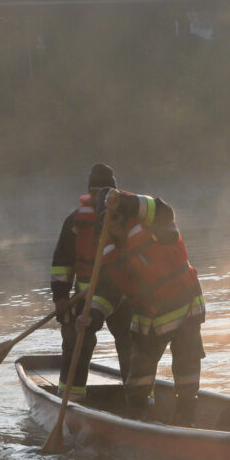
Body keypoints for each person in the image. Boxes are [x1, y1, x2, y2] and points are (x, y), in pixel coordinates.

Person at [83, 186, 206, 425]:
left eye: (117, 218)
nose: (114, 225)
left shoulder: (158, 226)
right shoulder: (108, 252)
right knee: (138, 379)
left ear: (125, 214)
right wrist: (93, 317)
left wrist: (124, 202)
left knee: (186, 371)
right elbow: (109, 292)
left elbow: (161, 208)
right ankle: (136, 419)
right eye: (108, 222)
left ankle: (185, 419)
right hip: (148, 319)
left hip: (185, 310)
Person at [50, 163, 133, 401]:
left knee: (131, 345)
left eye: (105, 193)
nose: (101, 198)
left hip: (121, 296)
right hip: (85, 298)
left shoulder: (123, 221)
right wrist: (61, 298)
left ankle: (138, 400)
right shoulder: (75, 222)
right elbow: (61, 265)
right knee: (78, 344)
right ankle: (71, 402)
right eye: (98, 193)